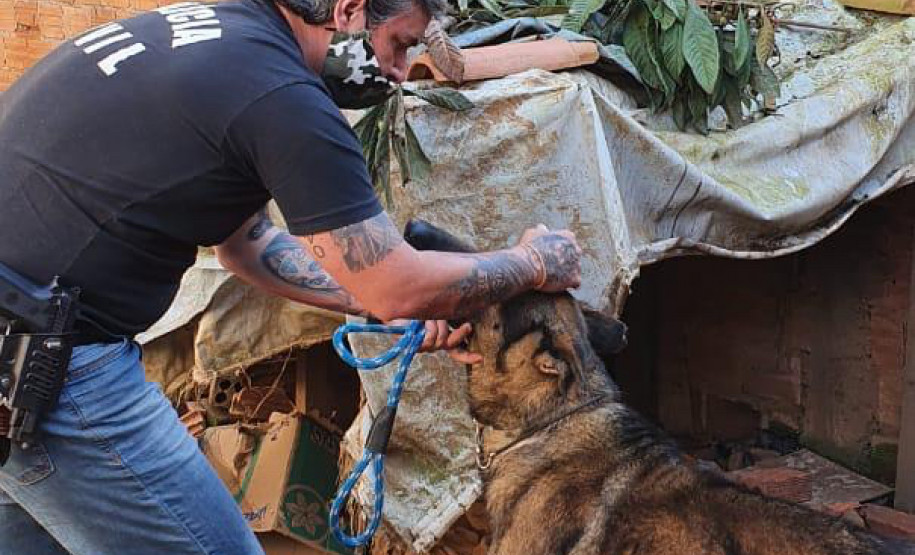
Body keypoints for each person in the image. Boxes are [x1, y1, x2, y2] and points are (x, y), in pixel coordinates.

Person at [0, 0, 582, 551]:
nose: (402, 72)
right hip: (47, 364)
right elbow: (398, 281)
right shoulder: (282, 95)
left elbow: (248, 246)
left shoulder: (221, 35)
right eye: (400, 45)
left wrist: (378, 303)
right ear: (350, 10)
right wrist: (533, 263)